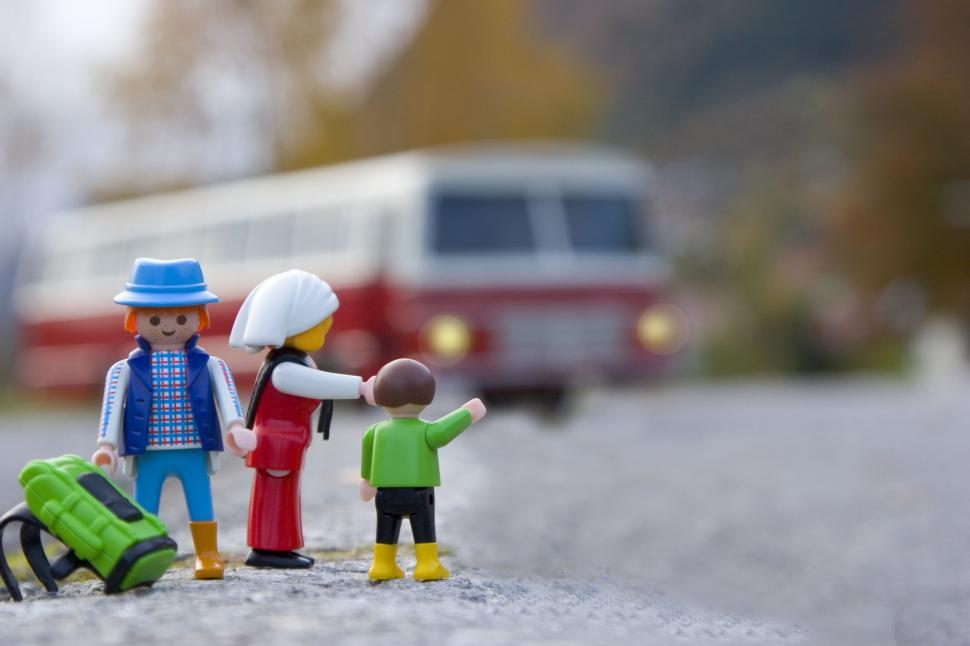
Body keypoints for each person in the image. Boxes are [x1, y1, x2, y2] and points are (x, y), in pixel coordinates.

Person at [92, 258, 255, 580]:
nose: (168, 325)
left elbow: (228, 397)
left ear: (199, 318)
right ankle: (144, 551)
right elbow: (111, 407)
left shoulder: (212, 365)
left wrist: (236, 426)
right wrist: (106, 445)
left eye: (181, 317)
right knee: (145, 506)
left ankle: (207, 554)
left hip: (194, 446)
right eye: (154, 317)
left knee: (200, 500)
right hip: (147, 449)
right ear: (134, 320)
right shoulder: (123, 369)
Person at [229, 269, 375, 568]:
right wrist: (360, 386)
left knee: (285, 499)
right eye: (319, 327)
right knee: (276, 500)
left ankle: (280, 547)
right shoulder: (285, 370)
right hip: (276, 444)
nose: (325, 333)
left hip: (287, 443)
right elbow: (317, 384)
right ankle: (268, 549)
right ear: (295, 325)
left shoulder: (292, 362)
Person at [359, 358, 486, 581]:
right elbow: (443, 433)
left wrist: (367, 482)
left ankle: (382, 564)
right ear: (427, 394)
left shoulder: (375, 431)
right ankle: (427, 564)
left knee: (385, 528)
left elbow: (367, 458)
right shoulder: (425, 431)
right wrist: (468, 413)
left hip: (385, 494)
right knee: (424, 528)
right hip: (418, 492)